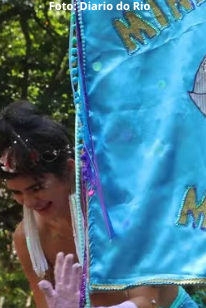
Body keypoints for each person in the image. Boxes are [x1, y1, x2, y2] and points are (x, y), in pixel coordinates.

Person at [1, 101, 195, 308]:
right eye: (17, 192)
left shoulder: (115, 214)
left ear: (68, 170)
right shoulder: (28, 239)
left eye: (36, 188)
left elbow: (147, 301)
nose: (28, 202)